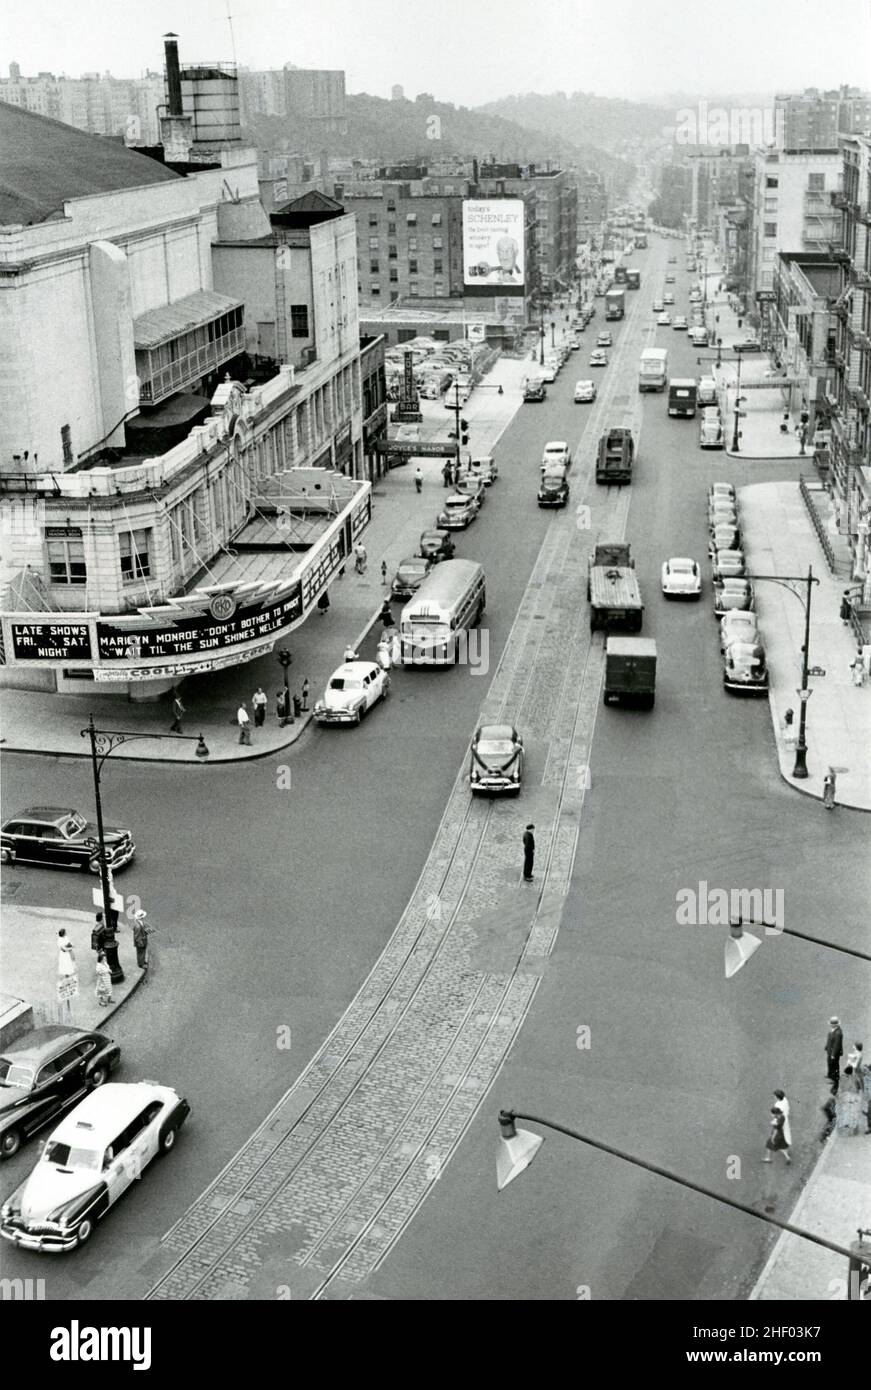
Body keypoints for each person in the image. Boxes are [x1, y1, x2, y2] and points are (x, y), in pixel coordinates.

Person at [826, 1016, 844, 1092]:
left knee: (835, 1067)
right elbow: (830, 1039)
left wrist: (833, 1055)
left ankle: (835, 1085)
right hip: (830, 1051)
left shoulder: (838, 1033)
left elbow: (837, 1045)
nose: (830, 1025)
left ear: (834, 1025)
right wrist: (826, 1046)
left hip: (834, 1054)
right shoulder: (834, 1030)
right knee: (830, 1064)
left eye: (831, 1024)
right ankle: (831, 1076)